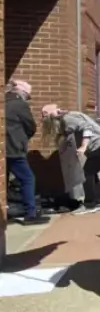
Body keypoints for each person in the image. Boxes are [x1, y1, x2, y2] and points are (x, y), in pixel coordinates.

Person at [41, 104, 100, 215]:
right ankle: (99, 202)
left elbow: (87, 128)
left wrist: (83, 146)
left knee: (86, 173)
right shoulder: (67, 118)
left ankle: (89, 204)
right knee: (91, 172)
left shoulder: (68, 118)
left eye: (45, 117)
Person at [5, 80, 48, 225]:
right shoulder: (20, 104)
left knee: (3, 181)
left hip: (3, 149)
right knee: (28, 179)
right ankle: (30, 214)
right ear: (22, 93)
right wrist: (23, 139)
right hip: (14, 148)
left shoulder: (3, 100)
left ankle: (5, 213)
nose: (27, 99)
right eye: (28, 96)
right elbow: (30, 126)